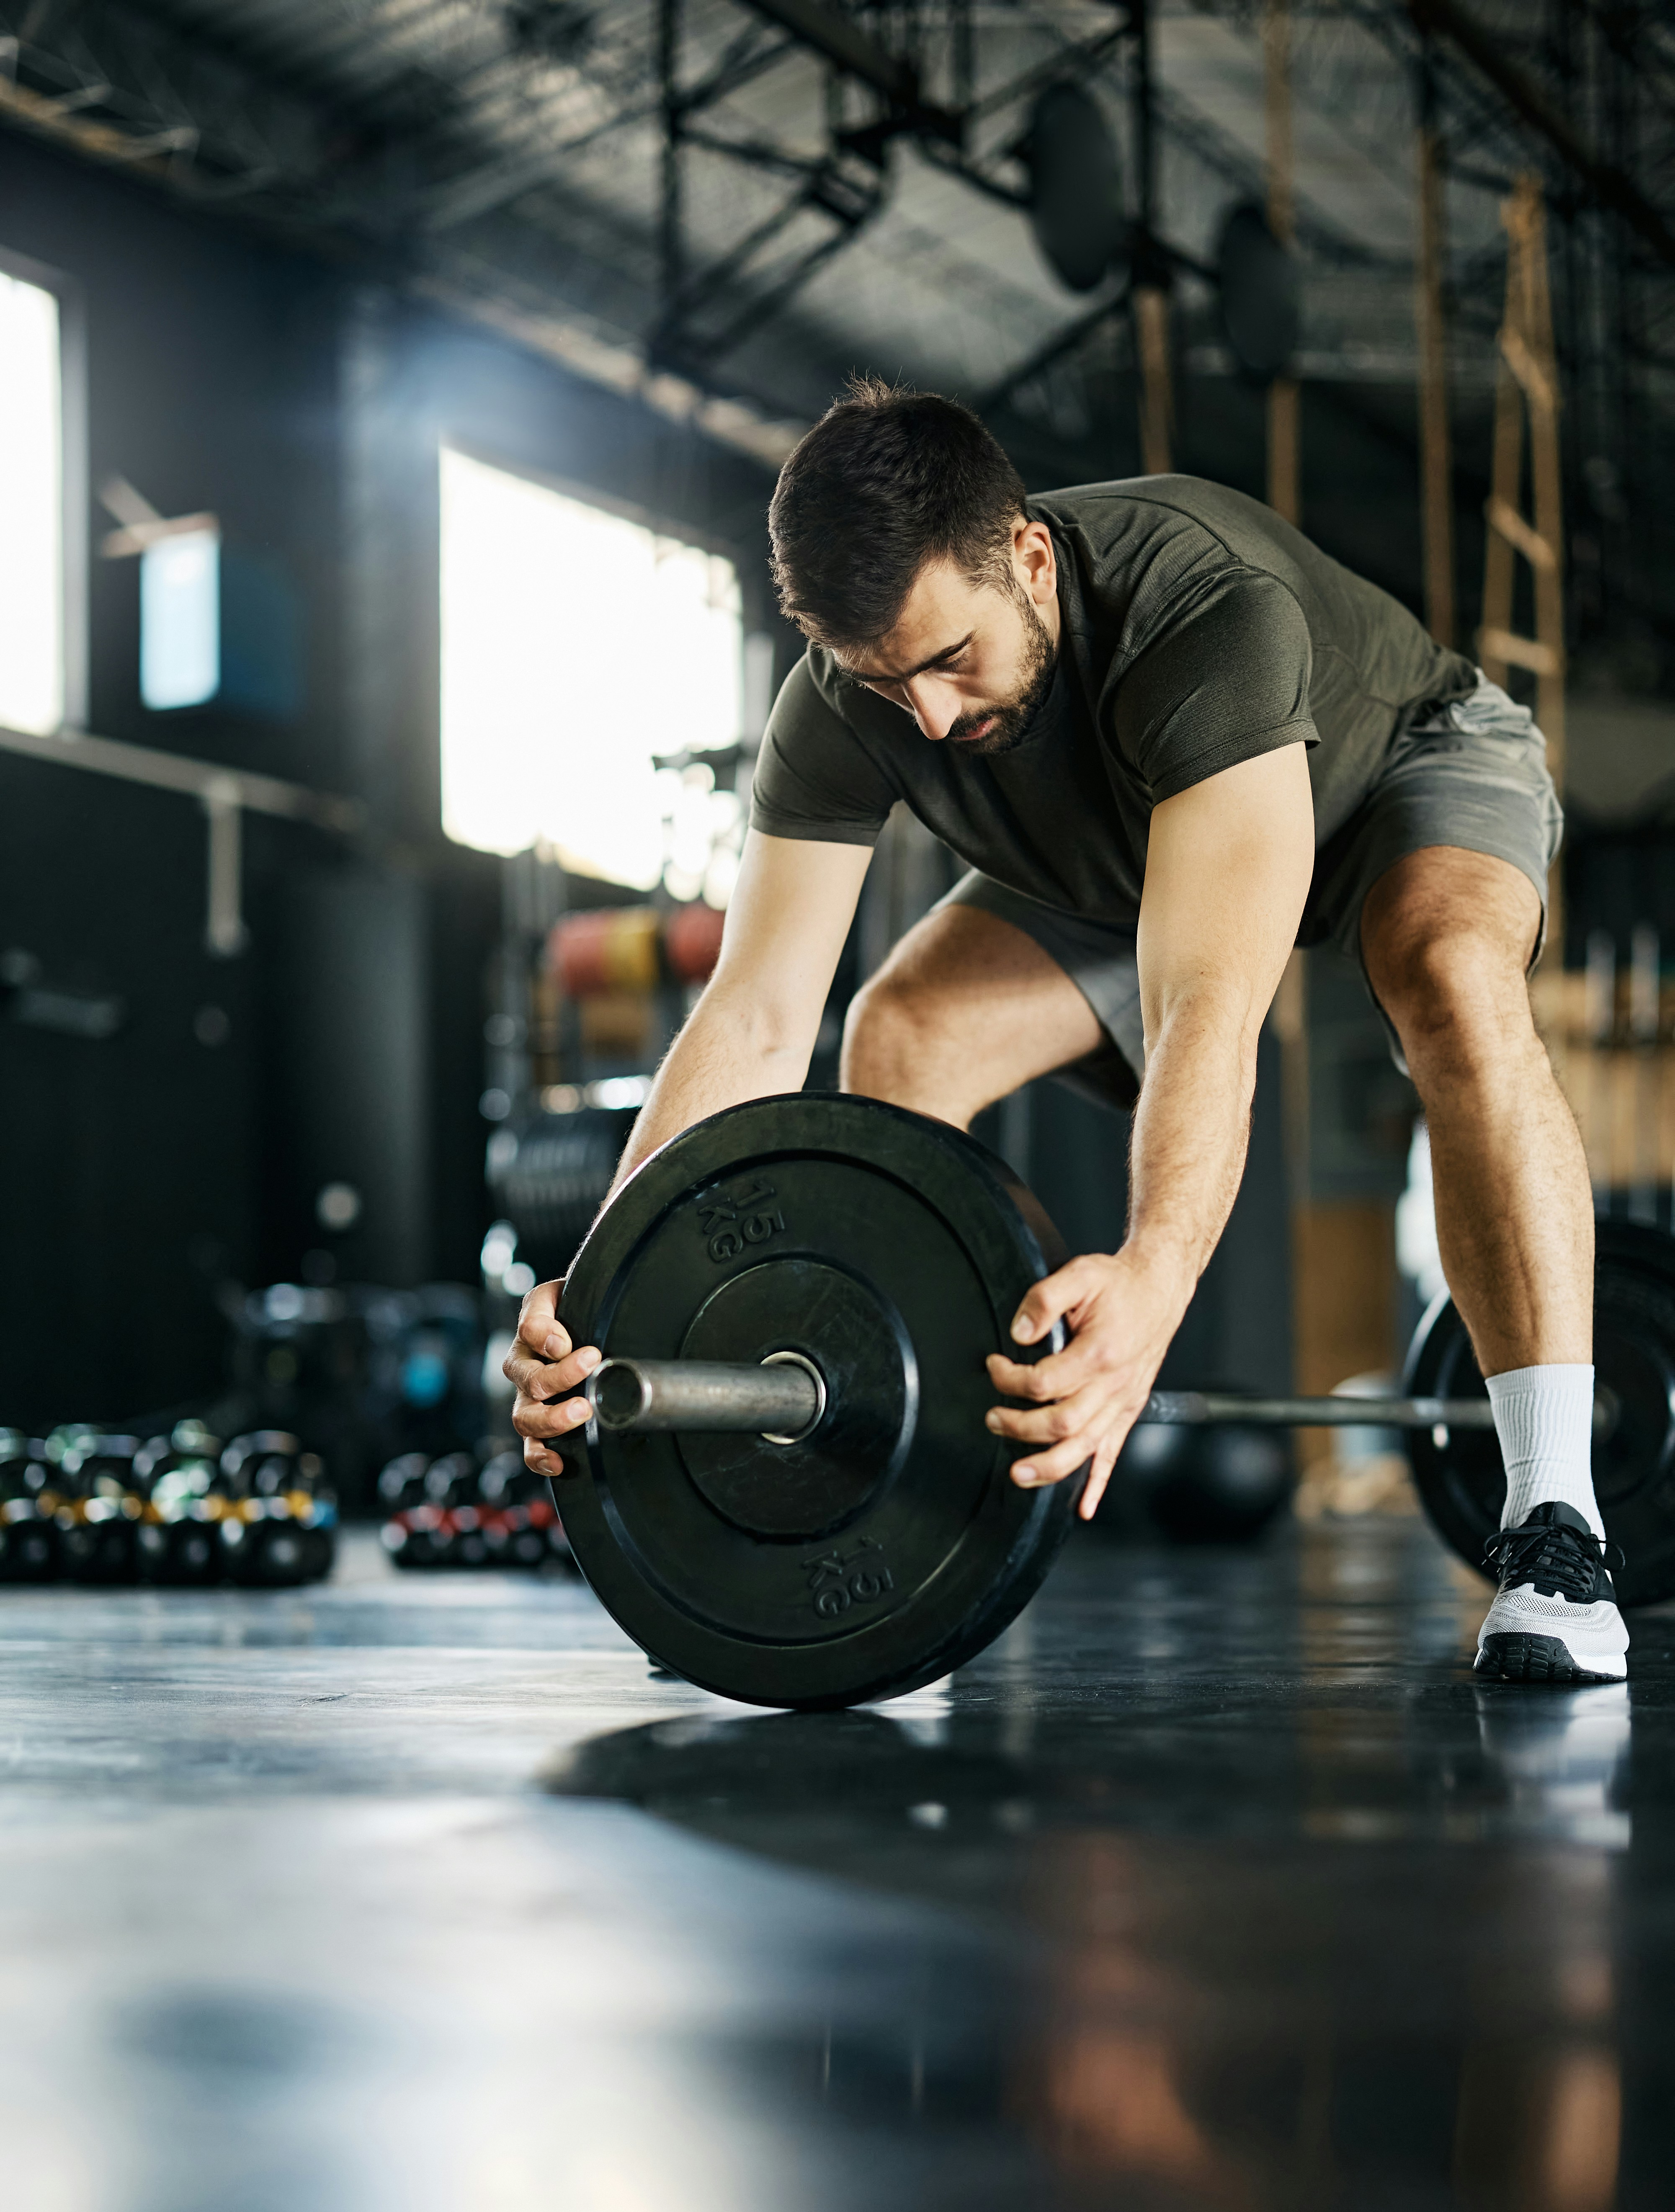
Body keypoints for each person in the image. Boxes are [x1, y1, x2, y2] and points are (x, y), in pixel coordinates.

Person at [505, 382, 1626, 1684]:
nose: (926, 717)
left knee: (1446, 973)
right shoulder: (849, 699)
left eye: (948, 659)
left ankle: (1558, 1519)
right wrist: (601, 1300)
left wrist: (1154, 1273)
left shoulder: (1203, 608)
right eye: (884, 681)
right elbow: (755, 1011)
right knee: (906, 1031)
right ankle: (892, 1494)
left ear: (1029, 557)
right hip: (1134, 853)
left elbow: (1206, 1005)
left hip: (1400, 770)